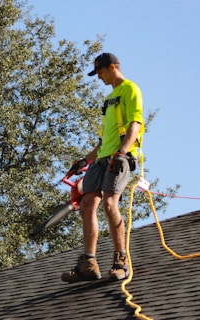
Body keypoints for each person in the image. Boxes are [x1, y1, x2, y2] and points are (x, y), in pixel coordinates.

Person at [61, 53, 144, 283]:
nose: (98, 77)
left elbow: (135, 125)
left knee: (109, 203)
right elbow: (102, 142)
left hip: (119, 158)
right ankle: (89, 262)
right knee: (87, 204)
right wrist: (84, 162)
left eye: (100, 71)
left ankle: (121, 261)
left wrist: (122, 153)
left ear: (113, 67)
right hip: (101, 159)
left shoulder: (130, 89)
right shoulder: (109, 99)